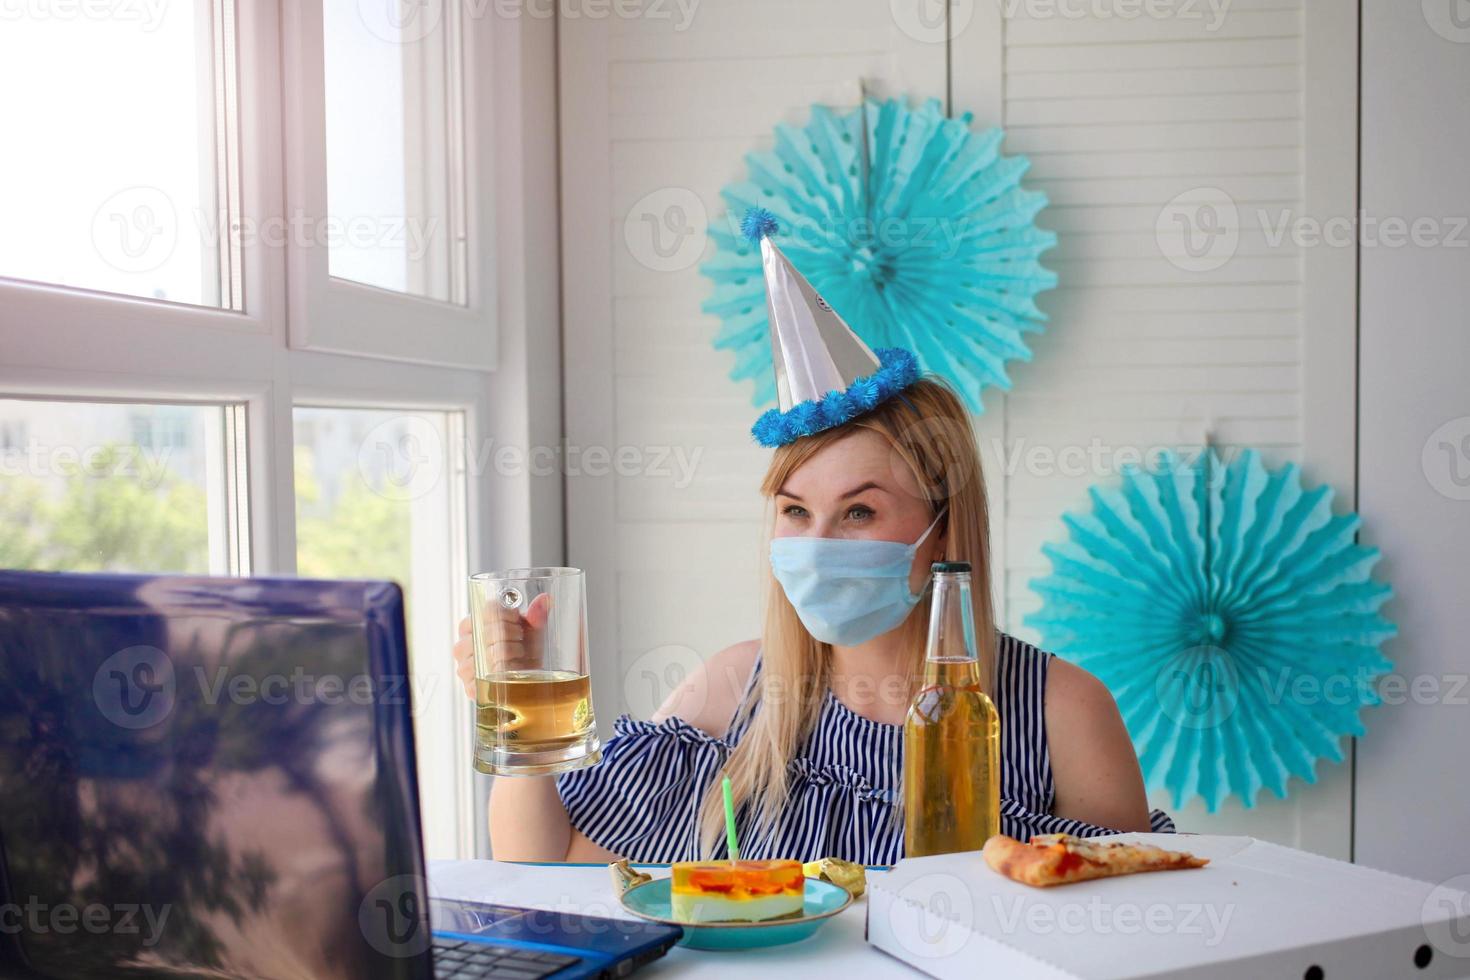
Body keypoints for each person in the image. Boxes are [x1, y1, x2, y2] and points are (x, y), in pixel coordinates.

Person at [451, 209, 1172, 864]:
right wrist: (517, 704)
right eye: (795, 511)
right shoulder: (733, 690)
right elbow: (542, 859)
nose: (817, 541)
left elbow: (1122, 928)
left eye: (859, 512)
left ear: (943, 526)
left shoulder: (1061, 713)